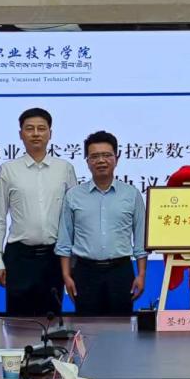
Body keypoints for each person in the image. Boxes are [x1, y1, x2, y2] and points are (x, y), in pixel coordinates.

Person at [0, 107, 77, 316]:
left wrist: (73, 259)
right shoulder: (7, 169)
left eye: (41, 128)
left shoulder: (64, 168)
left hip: (54, 257)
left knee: (52, 321)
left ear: (50, 133)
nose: (36, 133)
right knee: (18, 323)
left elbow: (74, 217)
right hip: (19, 257)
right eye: (29, 129)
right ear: (21, 134)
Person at [56, 131, 147, 316]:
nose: (101, 161)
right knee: (87, 327)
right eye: (95, 156)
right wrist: (66, 276)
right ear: (87, 161)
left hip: (120, 272)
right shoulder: (73, 196)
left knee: (121, 327)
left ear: (116, 159)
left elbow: (140, 240)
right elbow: (65, 240)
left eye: (107, 155)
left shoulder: (131, 194)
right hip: (85, 272)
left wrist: (141, 275)